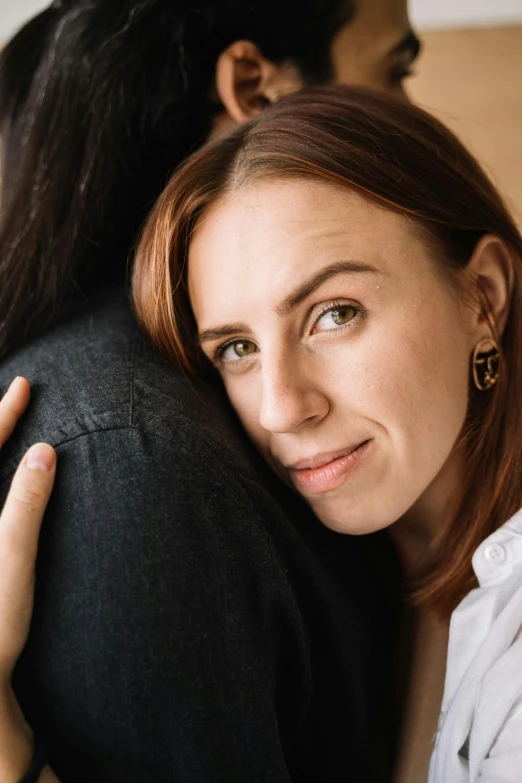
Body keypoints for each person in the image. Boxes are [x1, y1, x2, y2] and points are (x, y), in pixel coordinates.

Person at [0, 1, 421, 781]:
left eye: (335, 314)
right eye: (396, 72)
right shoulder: (123, 461)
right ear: (253, 86)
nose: (282, 406)